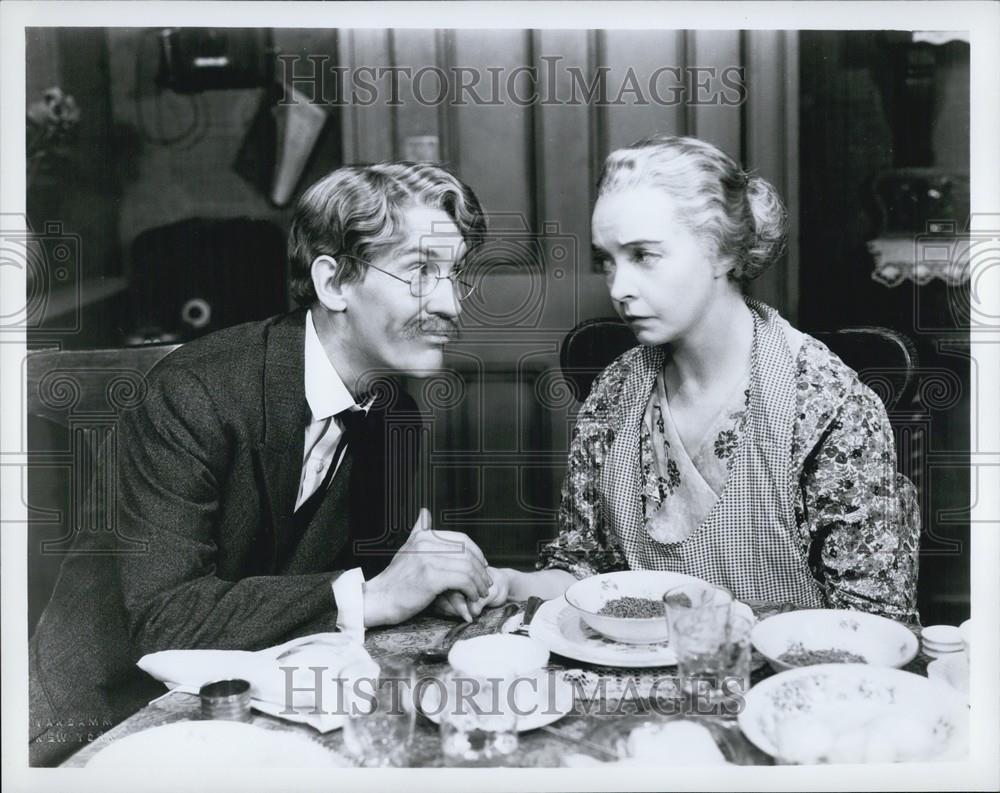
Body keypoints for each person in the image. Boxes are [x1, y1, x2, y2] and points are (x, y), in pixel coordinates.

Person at [28, 162, 496, 765]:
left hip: (259, 704)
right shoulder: (193, 391)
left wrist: (422, 580)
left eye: (456, 275)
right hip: (105, 722)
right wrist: (373, 596)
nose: (451, 303)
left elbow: (366, 576)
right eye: (419, 272)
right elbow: (165, 619)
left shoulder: (391, 411)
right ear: (333, 284)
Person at [487, 135, 920, 620]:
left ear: (722, 252)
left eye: (644, 256)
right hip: (638, 679)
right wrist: (505, 582)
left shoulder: (825, 404)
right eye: (608, 261)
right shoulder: (615, 392)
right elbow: (587, 572)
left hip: (784, 683)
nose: (619, 288)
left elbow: (871, 621)